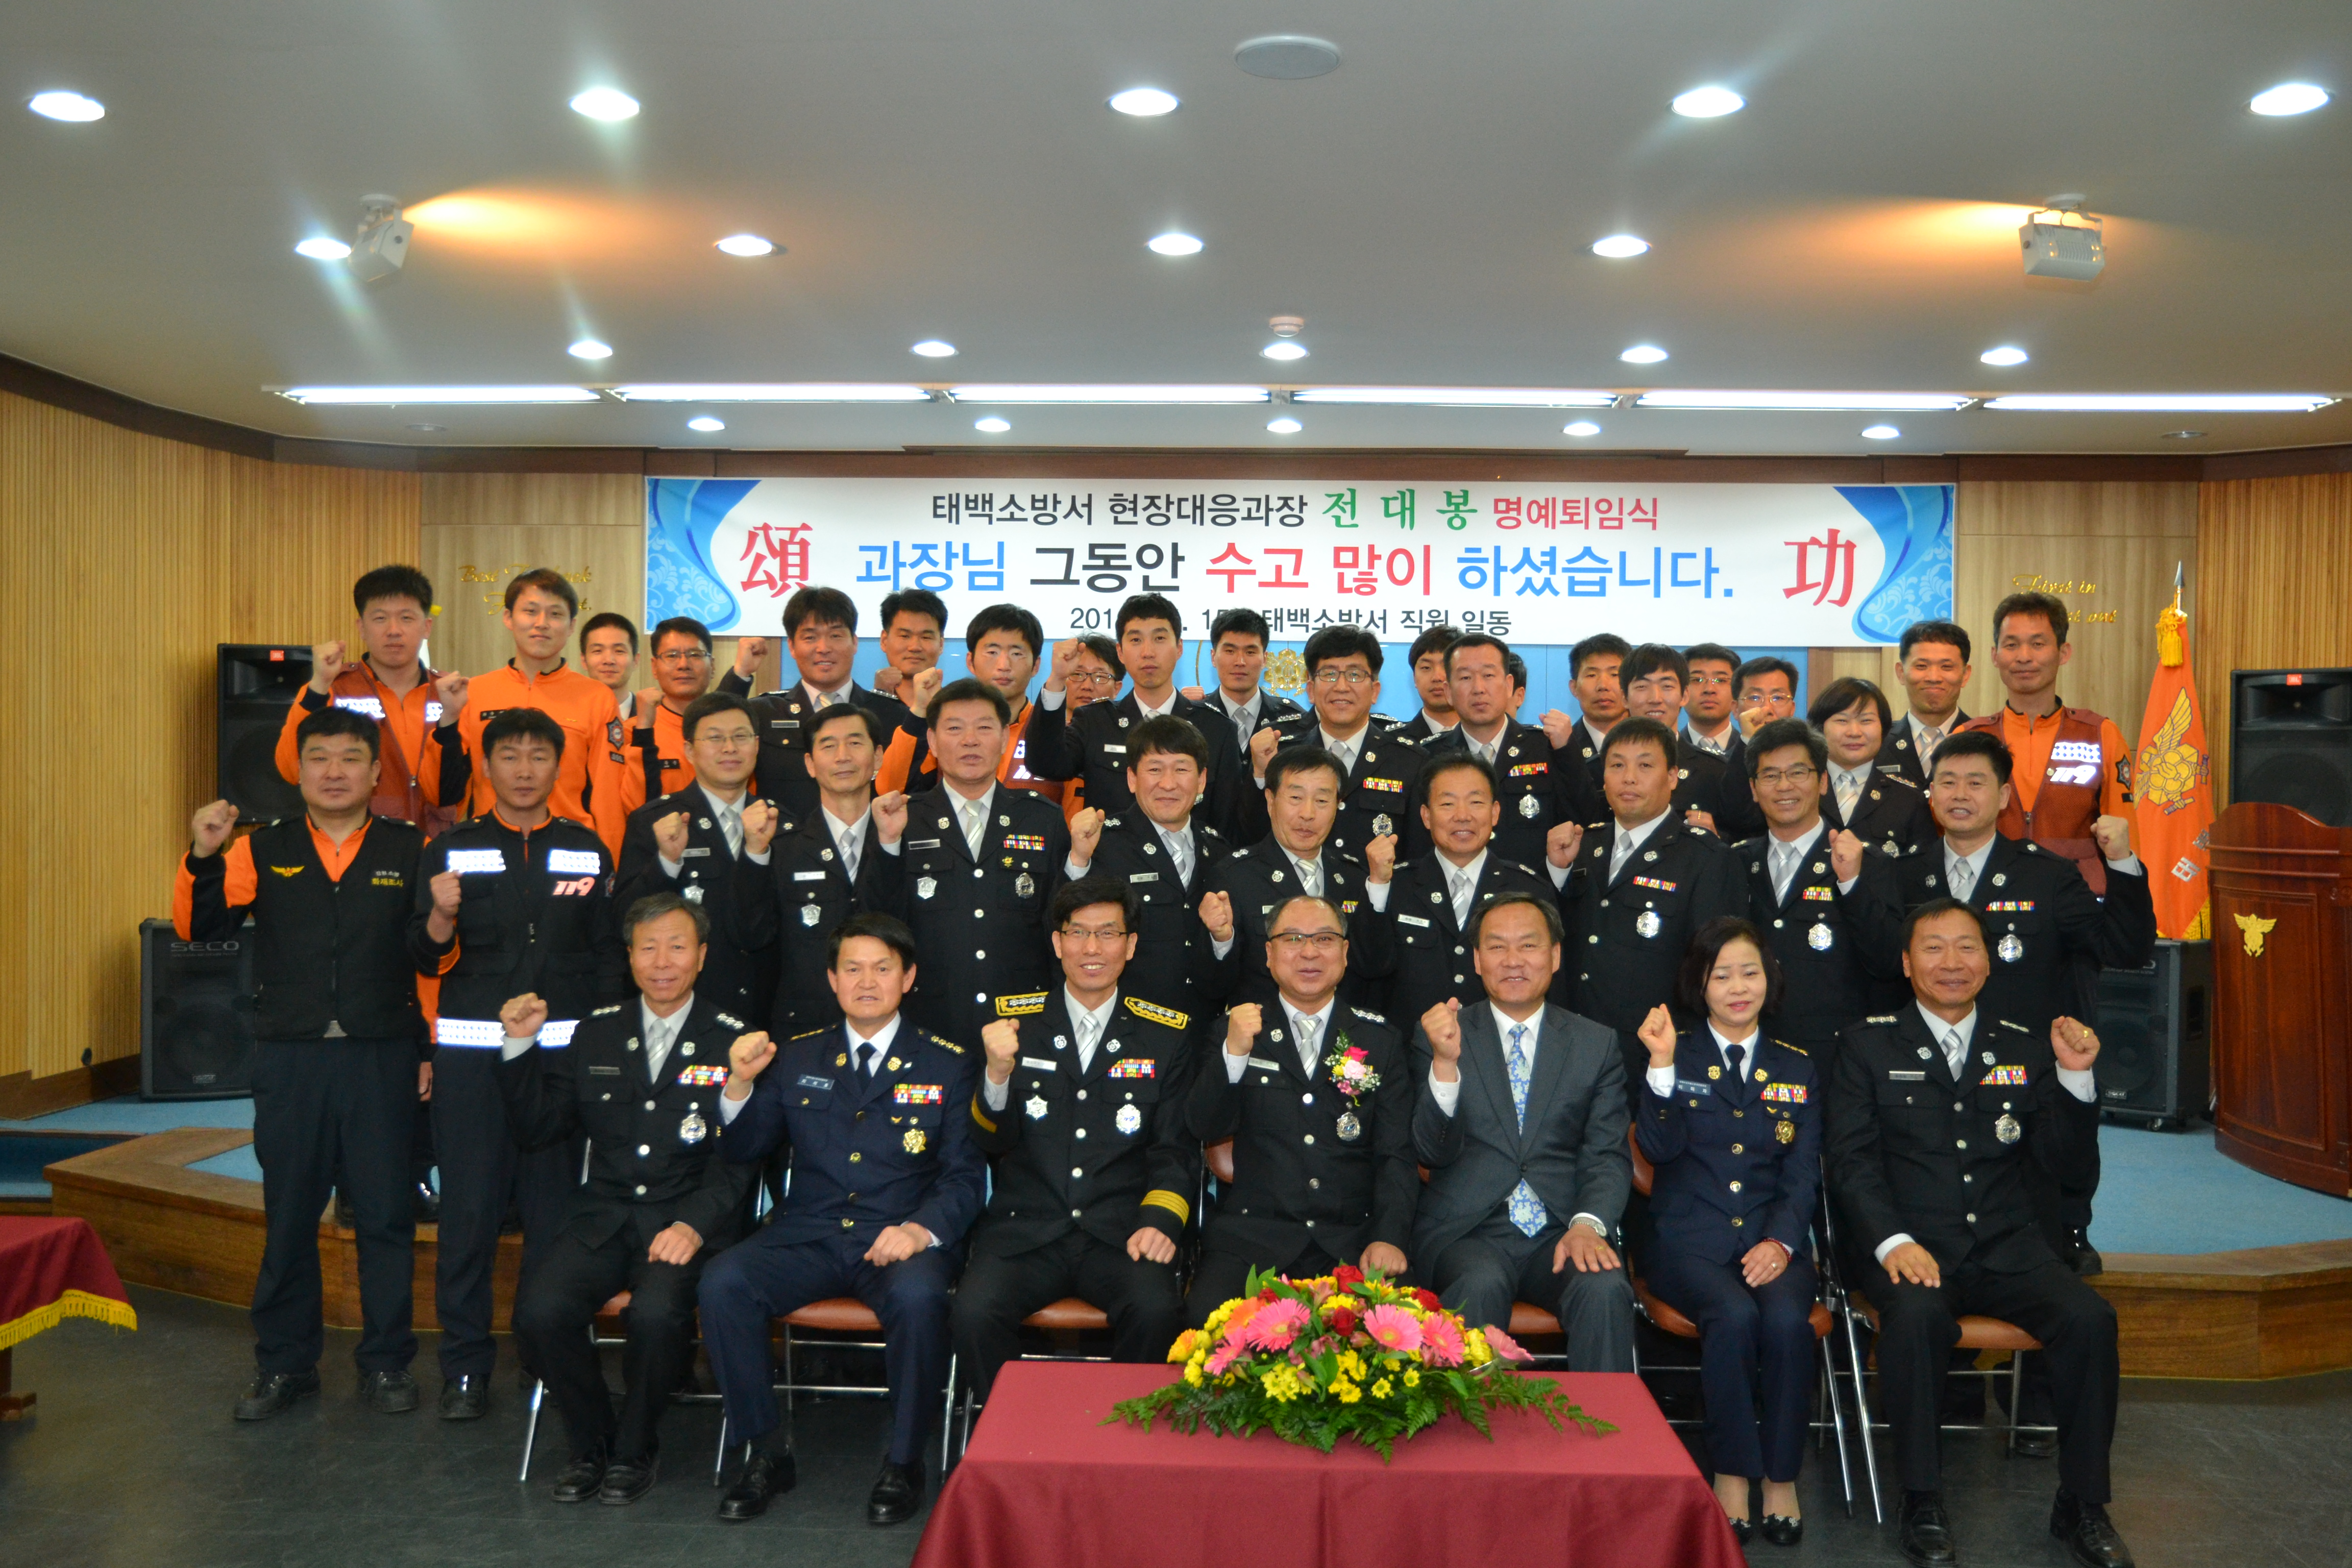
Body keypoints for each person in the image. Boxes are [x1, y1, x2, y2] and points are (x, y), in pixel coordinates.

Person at [1827, 900, 2130, 1568]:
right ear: (1906, 963)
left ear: (1989, 963)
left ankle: (2083, 1503)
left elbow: (2068, 1166)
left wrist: (2076, 1076)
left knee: (2090, 1320)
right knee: (1916, 1321)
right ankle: (1922, 1498)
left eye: (1967, 947)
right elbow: (1850, 1164)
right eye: (1934, 948)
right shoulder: (1867, 1045)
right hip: (1909, 1249)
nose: (1952, 963)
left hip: (2008, 1247)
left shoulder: (2026, 1046)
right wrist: (1891, 1242)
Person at [179, 707, 428, 1421]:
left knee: (385, 1215)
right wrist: (203, 855)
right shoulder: (263, 847)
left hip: (383, 1054)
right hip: (291, 1058)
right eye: (319, 757)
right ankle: (285, 1365)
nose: (334, 772)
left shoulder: (410, 848)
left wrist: (430, 1051)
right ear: (300, 770)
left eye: (350, 759)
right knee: (289, 1216)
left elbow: (433, 956)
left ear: (376, 772)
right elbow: (203, 929)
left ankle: (387, 1363)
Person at [699, 914, 984, 1526]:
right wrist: (739, 1087)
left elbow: (965, 1178)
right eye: (852, 969)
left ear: (909, 977)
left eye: (882, 968)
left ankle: (904, 1460)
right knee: (723, 1282)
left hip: (900, 1239)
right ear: (832, 979)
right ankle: (766, 1452)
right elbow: (743, 1148)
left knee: (919, 1298)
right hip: (810, 1234)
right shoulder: (797, 1055)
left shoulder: (948, 1063)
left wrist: (920, 1231)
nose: (866, 982)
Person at [495, 894, 759, 1504]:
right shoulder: (597, 1032)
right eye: (648, 948)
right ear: (630, 956)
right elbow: (539, 1128)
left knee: (656, 1316)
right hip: (604, 1219)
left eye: (677, 947)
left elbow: (742, 1156)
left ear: (702, 956)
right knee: (539, 1312)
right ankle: (592, 1443)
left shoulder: (734, 1040)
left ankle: (636, 1447)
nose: (662, 962)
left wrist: (694, 1226)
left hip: (684, 1222)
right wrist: (519, 1046)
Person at [410, 707, 628, 1418]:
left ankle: (546, 1359)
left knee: (553, 1218)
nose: (525, 769)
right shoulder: (451, 849)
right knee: (469, 1215)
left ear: (559, 765)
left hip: (559, 1065)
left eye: (539, 756)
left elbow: (606, 954)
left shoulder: (586, 849)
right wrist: (441, 916)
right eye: (510, 755)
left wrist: (600, 1048)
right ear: (486, 766)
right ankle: (464, 1367)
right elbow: (421, 955)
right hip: (473, 1061)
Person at [1906, 729, 2154, 1275]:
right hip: (1930, 1064)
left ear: (2003, 797)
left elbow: (2125, 949)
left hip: (2024, 1064)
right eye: (1948, 782)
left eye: (1976, 783)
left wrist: (2121, 862)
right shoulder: (1904, 874)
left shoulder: (2047, 874)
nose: (1960, 794)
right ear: (1931, 794)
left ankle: (2070, 1228)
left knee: (2055, 1158)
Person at [953, 879, 1198, 1399]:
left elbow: (1174, 1150)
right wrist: (996, 1075)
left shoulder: (1166, 1035)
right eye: (1078, 933)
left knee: (1157, 1311)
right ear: (1057, 942)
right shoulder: (1013, 1024)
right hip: (1027, 1229)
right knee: (973, 1312)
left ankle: (1123, 1438)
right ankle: (1011, 1437)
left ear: (1130, 945)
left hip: (1121, 1231)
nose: (1092, 948)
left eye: (1108, 933)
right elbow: (990, 1141)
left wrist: (1160, 1222)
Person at [1634, 919, 1823, 1545]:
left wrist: (1780, 1243)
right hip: (1687, 1243)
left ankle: (1782, 1476)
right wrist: (1661, 1066)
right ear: (1700, 984)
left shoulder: (1797, 1066)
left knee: (1787, 1322)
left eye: (1750, 973)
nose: (1738, 988)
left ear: (1770, 980)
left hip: (1773, 1242)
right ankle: (1733, 1472)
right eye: (1722, 976)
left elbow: (1803, 1175)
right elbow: (1657, 1150)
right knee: (1734, 1316)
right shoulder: (1675, 1053)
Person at [1411, 893, 1636, 1369]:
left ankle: (1605, 1419)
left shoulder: (1595, 1043)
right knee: (1479, 1284)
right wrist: (1445, 1064)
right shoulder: (1443, 1032)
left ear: (1555, 956)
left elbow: (1606, 1153)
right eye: (1497, 947)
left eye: (1528, 946)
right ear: (1477, 960)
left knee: (1603, 1286)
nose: (1513, 960)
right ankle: (1468, 1419)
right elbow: (1430, 1151)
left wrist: (1588, 1224)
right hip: (1469, 1231)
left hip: (1562, 1228)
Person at [1187, 893, 1417, 1320]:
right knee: (1202, 1320)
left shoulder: (1380, 1040)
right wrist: (1233, 1054)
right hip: (1253, 1238)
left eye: (1324, 939)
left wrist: (1388, 1237)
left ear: (1345, 954)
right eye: (1293, 939)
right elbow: (1204, 1126)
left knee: (1401, 1330)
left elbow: (1396, 1155)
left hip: (1352, 1240)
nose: (1309, 952)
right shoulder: (1233, 1030)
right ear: (1269, 954)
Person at [1559, 717, 1747, 1088]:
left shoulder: (1707, 858)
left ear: (1673, 776)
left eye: (1645, 765)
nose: (1629, 778)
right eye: (1617, 765)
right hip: (1574, 1043)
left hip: (1652, 1051)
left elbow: (1712, 971)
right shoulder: (1581, 847)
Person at [888, 679, 1070, 1050]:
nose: (970, 741)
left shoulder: (1043, 819)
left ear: (1004, 739)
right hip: (928, 1025)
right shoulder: (904, 821)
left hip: (1022, 1024)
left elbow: (1061, 925)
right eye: (955, 728)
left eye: (984, 728)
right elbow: (885, 919)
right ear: (933, 741)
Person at [1734, 718, 1907, 1069]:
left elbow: (1890, 963)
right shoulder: (1736, 862)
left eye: (1798, 773)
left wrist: (1851, 883)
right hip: (1751, 1048)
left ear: (1823, 781)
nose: (1784, 786)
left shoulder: (1867, 861)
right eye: (1770, 775)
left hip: (1836, 1057)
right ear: (1753, 788)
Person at [421, 567, 630, 855]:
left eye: (555, 614)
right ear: (508, 617)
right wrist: (448, 721)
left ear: (571, 625)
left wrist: (609, 869)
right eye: (531, 611)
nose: (541, 624)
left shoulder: (597, 697)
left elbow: (608, 800)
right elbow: (443, 793)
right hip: (490, 849)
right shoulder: (475, 692)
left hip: (569, 853)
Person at [612, 693, 780, 1024]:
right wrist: (667, 862)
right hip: (685, 1011)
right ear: (689, 751)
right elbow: (623, 920)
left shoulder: (783, 823)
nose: (729, 748)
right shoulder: (654, 821)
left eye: (741, 737)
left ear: (757, 745)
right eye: (715, 738)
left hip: (765, 1010)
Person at [1023, 593, 1245, 839]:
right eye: (1136, 640)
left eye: (1159, 638)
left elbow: (1227, 821)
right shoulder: (1095, 721)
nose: (1148, 652)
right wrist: (1056, 680)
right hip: (1112, 860)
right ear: (1120, 651)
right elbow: (1044, 764)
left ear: (1179, 648)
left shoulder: (1217, 728)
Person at [1958, 593, 2137, 894]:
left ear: (2063, 652)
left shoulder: (2099, 734)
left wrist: (2130, 903)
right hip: (1989, 896)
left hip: (2077, 899)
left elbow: (2124, 837)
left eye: (2038, 644)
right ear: (1995, 655)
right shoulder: (1969, 738)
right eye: (2011, 645)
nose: (2024, 657)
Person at [1202, 746, 1396, 1015]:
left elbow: (1374, 967)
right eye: (1295, 797)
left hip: (1341, 1035)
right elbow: (1213, 986)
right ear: (1271, 801)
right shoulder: (1234, 876)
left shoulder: (1356, 877)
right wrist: (1222, 941)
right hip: (1264, 1031)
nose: (1308, 814)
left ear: (1337, 806)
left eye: (1322, 801)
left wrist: (1378, 887)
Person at [1060, 715, 1232, 1018]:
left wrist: (1223, 938)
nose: (1168, 784)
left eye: (1182, 769)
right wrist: (1079, 861)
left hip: (1205, 1025)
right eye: (1155, 769)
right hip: (1129, 1025)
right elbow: (1063, 927)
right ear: (1132, 778)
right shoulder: (1101, 845)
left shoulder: (1219, 851)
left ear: (1202, 780)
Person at [1382, 752, 1565, 1031]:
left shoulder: (1529, 888)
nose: (1463, 816)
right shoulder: (1396, 885)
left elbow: (1554, 984)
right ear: (1426, 816)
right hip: (1415, 1046)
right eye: (1447, 804)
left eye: (1476, 802)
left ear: (1495, 813)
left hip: (1501, 1046)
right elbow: (1371, 969)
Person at [276, 564, 458, 838]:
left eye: (407, 618)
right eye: (380, 618)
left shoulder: (450, 694)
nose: (394, 630)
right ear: (361, 627)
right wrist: (319, 685)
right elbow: (292, 770)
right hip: (360, 843)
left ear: (427, 627)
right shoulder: (333, 688)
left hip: (436, 842)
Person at [765, 702, 909, 1036]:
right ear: (810, 764)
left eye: (855, 743)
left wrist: (890, 844)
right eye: (829, 746)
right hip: (805, 1028)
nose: (843, 757)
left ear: (878, 757)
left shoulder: (906, 836)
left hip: (894, 1025)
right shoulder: (783, 847)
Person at [719, 584, 907, 818]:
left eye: (835, 636)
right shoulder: (763, 713)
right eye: (810, 637)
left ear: (855, 642)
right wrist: (740, 675)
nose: (824, 648)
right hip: (784, 838)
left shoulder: (892, 714)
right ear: (792, 646)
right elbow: (715, 735)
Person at [1407, 632, 1582, 869]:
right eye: (1465, 677)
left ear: (1509, 685)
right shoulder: (1428, 756)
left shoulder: (1546, 748)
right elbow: (1416, 846)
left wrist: (1567, 752)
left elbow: (1583, 819)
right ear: (1448, 692)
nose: (1478, 689)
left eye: (1488, 675)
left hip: (1534, 889)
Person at [1249, 624, 1424, 858]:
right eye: (1329, 674)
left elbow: (1419, 854)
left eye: (1355, 675)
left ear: (1375, 691)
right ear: (1311, 690)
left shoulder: (1410, 761)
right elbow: (1251, 837)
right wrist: (1261, 775)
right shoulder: (1281, 753)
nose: (1342, 687)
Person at [874, 603, 1065, 813]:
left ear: (1036, 666)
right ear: (970, 662)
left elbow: (1072, 816)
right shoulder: (943, 728)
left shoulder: (1054, 733)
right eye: (992, 652)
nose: (1004, 665)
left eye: (1017, 654)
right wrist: (920, 712)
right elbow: (890, 789)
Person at [1810, 676, 1937, 859]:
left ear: (1883, 728)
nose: (1854, 732)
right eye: (1842, 721)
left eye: (1866, 721)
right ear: (1820, 728)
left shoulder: (1909, 799)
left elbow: (1921, 866)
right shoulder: (1802, 789)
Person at [1619, 643, 1731, 830]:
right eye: (1642, 686)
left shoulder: (1716, 772)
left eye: (1667, 686)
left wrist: (1716, 838)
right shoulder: (1601, 767)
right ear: (1624, 698)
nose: (1655, 698)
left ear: (1684, 695)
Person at [619, 617, 719, 808]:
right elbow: (632, 807)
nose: (684, 664)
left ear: (712, 665)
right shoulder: (633, 731)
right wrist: (644, 732)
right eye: (672, 656)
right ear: (654, 667)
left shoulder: (732, 731)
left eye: (695, 655)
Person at [1540, 630, 1630, 827]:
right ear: (1574, 688)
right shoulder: (1557, 748)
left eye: (1614, 674)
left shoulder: (1652, 743)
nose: (1603, 686)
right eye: (1591, 675)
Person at [1189, 607, 1305, 755]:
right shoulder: (1193, 717)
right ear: (1213, 657)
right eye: (1230, 651)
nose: (1240, 662)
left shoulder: (1292, 719)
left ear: (1265, 660)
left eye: (1250, 652)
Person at [1879, 620, 1974, 790]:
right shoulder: (1877, 742)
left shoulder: (1984, 740)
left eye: (1946, 667)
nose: (1934, 678)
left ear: (1965, 675)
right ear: (1901, 673)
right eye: (1922, 666)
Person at [870, 587, 947, 702]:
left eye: (926, 637)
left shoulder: (956, 708)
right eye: (905, 636)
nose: (915, 647)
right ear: (884, 641)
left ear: (941, 645)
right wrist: (880, 697)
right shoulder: (863, 708)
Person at [1398, 622, 1462, 742]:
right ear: (1414, 678)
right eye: (1426, 668)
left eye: (1447, 667)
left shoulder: (1488, 739)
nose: (1437, 677)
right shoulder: (1394, 743)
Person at [1681, 643, 1744, 760]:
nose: (1709, 689)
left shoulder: (1749, 752)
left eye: (1721, 680)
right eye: (1697, 680)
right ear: (1682, 691)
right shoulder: (1667, 752)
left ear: (1737, 690)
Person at [580, 611, 640, 711]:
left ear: (636, 660)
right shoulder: (567, 716)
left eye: (619, 651)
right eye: (598, 651)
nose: (609, 660)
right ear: (584, 661)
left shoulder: (652, 717)